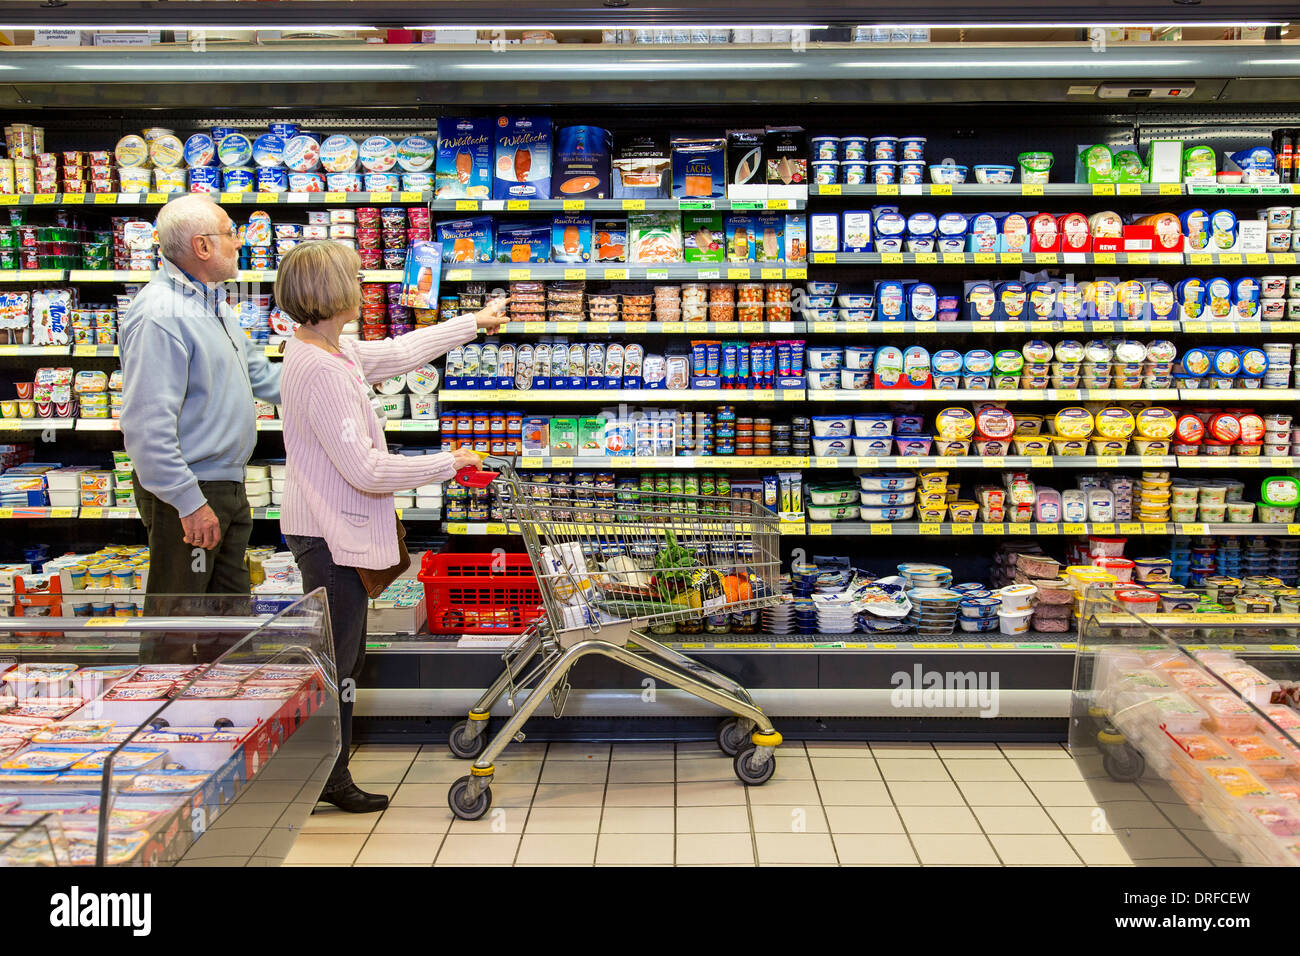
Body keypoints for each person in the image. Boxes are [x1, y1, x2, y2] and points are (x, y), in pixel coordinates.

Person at [275, 240, 506, 813]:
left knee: (342, 656)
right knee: (337, 661)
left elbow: (399, 353)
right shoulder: (322, 371)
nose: (363, 285)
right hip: (329, 536)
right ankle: (328, 774)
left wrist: (470, 324)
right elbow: (366, 470)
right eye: (353, 278)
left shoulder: (326, 349)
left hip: (332, 529)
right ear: (332, 293)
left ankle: (327, 768)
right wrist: (448, 463)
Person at [119, 194, 283, 660]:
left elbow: (264, 378)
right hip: (189, 491)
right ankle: (158, 721)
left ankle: (223, 720)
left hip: (225, 485)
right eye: (232, 232)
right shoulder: (160, 316)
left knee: (228, 618)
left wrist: (340, 379)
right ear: (203, 246)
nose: (240, 242)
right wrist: (189, 503)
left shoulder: (214, 306)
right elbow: (146, 427)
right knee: (176, 618)